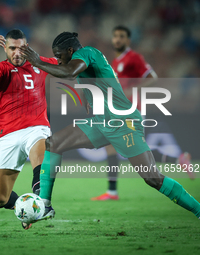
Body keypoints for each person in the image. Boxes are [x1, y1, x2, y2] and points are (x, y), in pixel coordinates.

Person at [20, 31, 200, 221]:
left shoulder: (87, 53)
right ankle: (44, 206)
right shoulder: (82, 59)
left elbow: (68, 72)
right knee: (53, 143)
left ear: (71, 51)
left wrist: (37, 62)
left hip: (122, 123)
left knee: (152, 178)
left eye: (59, 56)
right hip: (101, 122)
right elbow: (73, 73)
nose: (58, 60)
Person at [91, 25, 194, 201]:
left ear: (128, 40)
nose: (117, 39)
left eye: (121, 37)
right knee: (115, 147)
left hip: (131, 110)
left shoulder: (134, 58)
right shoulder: (116, 61)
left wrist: (133, 90)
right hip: (120, 110)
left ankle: (178, 159)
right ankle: (112, 192)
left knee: (133, 151)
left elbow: (152, 78)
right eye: (115, 36)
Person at [0, 29, 57, 229]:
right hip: (9, 134)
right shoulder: (0, 68)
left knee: (41, 157)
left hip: (36, 128)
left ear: (26, 47)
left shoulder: (39, 63)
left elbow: (68, 64)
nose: (17, 53)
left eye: (21, 48)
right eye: (12, 48)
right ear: (5, 49)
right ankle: (27, 208)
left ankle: (44, 205)